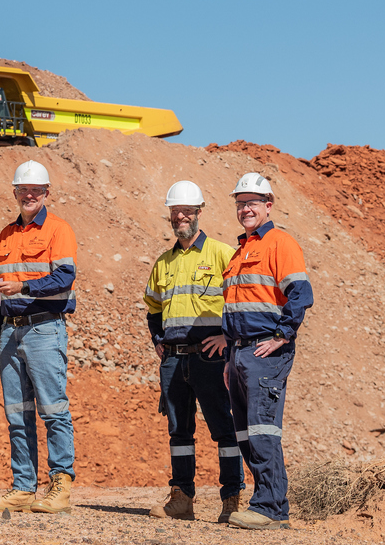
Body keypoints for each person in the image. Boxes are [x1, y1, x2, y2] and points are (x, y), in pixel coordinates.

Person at [143, 181, 244, 522]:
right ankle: (182, 497)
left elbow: (243, 301)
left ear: (199, 212)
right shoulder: (164, 262)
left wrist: (227, 337)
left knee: (224, 430)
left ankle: (232, 499)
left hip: (210, 357)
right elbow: (153, 308)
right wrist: (158, 339)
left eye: (186, 211)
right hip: (173, 359)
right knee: (179, 431)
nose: (180, 216)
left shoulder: (221, 253)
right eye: (175, 212)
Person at [0, 161, 77, 514]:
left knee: (52, 409)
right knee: (17, 413)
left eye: (35, 190)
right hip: (9, 330)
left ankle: (60, 486)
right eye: (23, 190)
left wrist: (23, 286)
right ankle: (23, 487)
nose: (29, 195)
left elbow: (64, 279)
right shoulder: (6, 234)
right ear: (15, 193)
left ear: (46, 193)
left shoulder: (58, 229)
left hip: (43, 328)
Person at [222, 173, 313, 530]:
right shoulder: (240, 250)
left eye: (252, 203)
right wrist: (231, 356)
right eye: (240, 203)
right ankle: (266, 500)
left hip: (265, 352)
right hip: (240, 353)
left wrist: (282, 335)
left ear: (268, 206)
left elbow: (300, 294)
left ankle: (272, 507)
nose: (246, 209)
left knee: (263, 429)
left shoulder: (279, 243)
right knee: (246, 431)